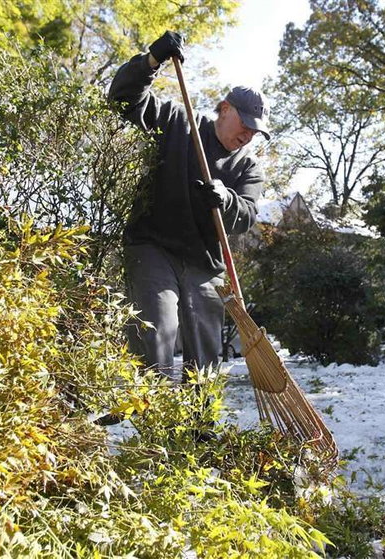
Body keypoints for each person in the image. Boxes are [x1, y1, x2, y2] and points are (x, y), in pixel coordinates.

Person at [105, 30, 270, 386]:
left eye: (256, 131)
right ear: (224, 109)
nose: (249, 135)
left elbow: (247, 215)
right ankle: (158, 419)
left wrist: (226, 200)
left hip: (204, 262)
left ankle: (199, 425)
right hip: (153, 245)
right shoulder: (181, 122)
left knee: (205, 348)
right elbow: (122, 100)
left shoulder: (247, 167)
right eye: (246, 124)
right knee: (157, 330)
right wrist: (152, 60)